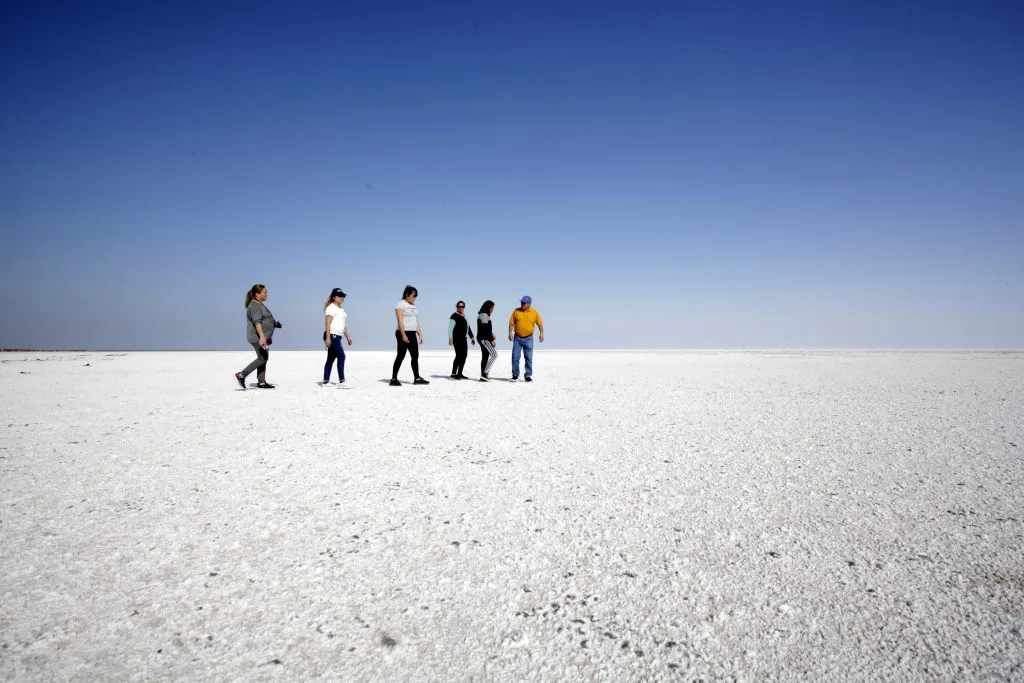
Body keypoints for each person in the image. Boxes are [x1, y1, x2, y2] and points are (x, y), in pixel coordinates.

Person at [235, 284, 281, 389]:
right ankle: (242, 375)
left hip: (263, 337)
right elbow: (257, 323)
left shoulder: (258, 304)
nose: (266, 294)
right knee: (262, 358)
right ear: (257, 294)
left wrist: (274, 324)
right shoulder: (254, 305)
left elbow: (265, 320)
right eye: (264, 292)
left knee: (264, 357)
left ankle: (261, 382)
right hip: (257, 337)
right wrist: (262, 337)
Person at [391, 285, 429, 386]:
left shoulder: (413, 306)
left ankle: (417, 378)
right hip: (402, 332)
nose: (415, 297)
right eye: (413, 295)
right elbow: (400, 320)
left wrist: (420, 334)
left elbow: (415, 321)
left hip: (412, 333)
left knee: (415, 356)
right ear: (407, 295)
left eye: (416, 296)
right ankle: (393, 378)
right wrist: (403, 335)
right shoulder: (400, 304)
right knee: (401, 355)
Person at [508, 295, 543, 382]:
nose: (522, 304)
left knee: (528, 358)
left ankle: (528, 375)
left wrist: (541, 334)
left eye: (524, 303)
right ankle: (515, 375)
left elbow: (540, 324)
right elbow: (511, 323)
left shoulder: (534, 312)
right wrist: (510, 333)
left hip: (529, 338)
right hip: (517, 338)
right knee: (515, 357)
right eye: (521, 302)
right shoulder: (516, 311)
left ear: (529, 304)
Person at [322, 287, 352, 385]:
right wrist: (327, 338)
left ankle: (326, 381)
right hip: (331, 335)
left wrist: (348, 337)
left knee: (330, 359)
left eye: (343, 296)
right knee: (341, 356)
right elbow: (327, 323)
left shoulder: (341, 309)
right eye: (339, 296)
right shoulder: (330, 307)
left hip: (337, 336)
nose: (342, 298)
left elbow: (343, 325)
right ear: (334, 297)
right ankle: (342, 381)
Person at [447, 300, 476, 379]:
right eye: (459, 306)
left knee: (464, 355)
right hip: (456, 339)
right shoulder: (454, 316)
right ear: (457, 307)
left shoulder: (464, 316)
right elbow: (450, 328)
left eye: (462, 306)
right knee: (459, 355)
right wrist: (450, 338)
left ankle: (459, 373)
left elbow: (468, 327)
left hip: (464, 339)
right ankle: (453, 374)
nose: (461, 308)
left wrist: (472, 337)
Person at [476, 300, 498, 382]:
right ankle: (484, 374)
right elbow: (485, 329)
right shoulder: (484, 315)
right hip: (484, 339)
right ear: (488, 307)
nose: (493, 309)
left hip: (483, 338)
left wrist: (492, 334)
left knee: (485, 356)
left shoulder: (483, 314)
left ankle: (483, 376)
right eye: (492, 308)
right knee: (494, 355)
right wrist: (491, 339)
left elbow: (485, 328)